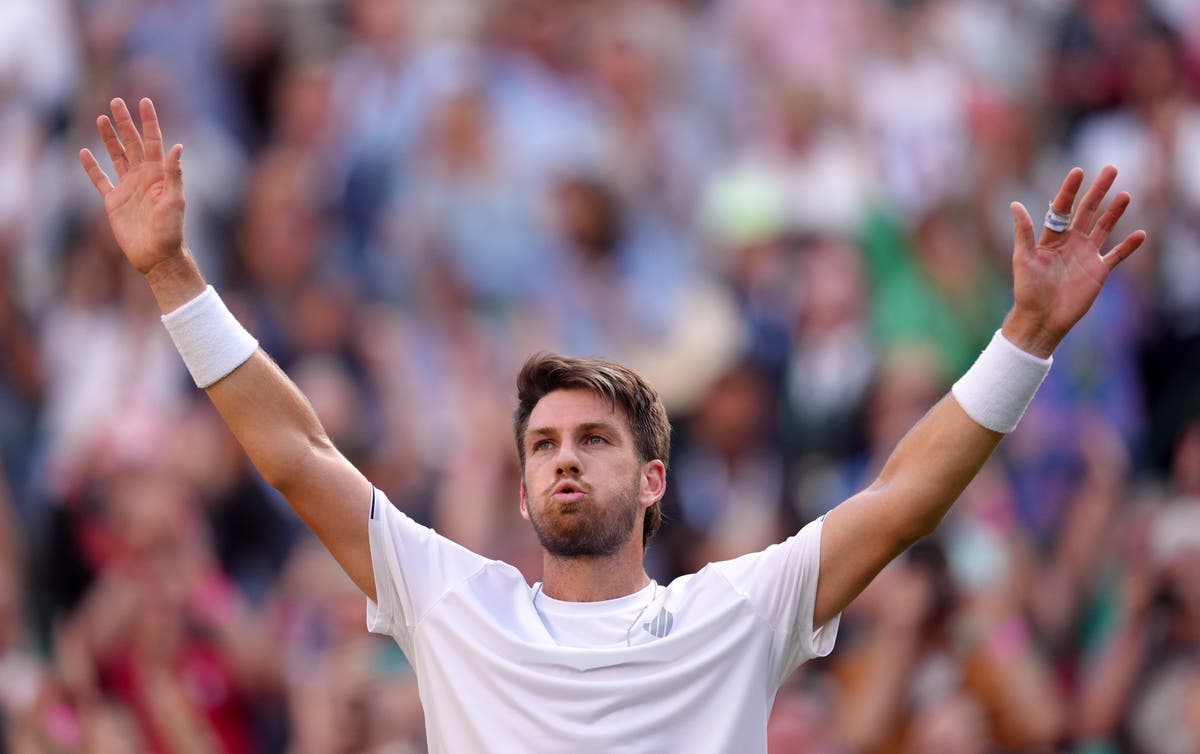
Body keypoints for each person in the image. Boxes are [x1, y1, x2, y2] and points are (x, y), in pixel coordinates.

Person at [79, 97, 1146, 753]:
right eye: (543, 444)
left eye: (593, 440)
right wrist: (173, 274)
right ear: (522, 484)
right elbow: (294, 452)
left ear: (652, 481)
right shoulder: (453, 599)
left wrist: (1026, 333)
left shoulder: (737, 609)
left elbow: (907, 495)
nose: (564, 459)